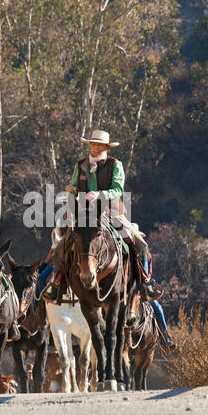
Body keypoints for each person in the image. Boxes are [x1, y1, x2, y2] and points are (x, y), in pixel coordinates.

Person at [42, 130, 160, 310]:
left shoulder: (115, 165)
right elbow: (73, 185)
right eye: (92, 145)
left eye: (98, 145)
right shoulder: (80, 165)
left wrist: (100, 194)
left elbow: (118, 189)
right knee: (59, 245)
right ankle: (59, 283)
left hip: (111, 212)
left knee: (140, 243)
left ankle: (145, 283)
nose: (95, 148)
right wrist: (71, 190)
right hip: (82, 214)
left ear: (106, 148)